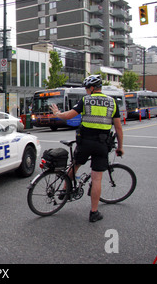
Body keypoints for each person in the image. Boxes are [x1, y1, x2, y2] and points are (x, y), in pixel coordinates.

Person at [49, 75, 124, 222]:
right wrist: (120, 147)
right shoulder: (112, 102)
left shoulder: (86, 100)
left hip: (85, 142)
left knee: (75, 165)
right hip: (102, 144)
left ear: (91, 88)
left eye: (86, 88)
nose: (86, 91)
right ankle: (94, 213)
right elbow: (119, 128)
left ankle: (64, 190)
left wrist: (57, 113)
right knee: (97, 179)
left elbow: (68, 116)